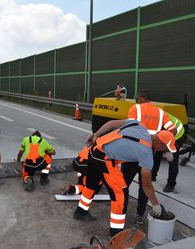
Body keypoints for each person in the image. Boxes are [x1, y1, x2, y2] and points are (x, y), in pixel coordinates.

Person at [73, 119, 175, 237]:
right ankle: (116, 233)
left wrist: (95, 134)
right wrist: (156, 204)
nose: (162, 152)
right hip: (104, 160)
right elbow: (146, 185)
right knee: (120, 195)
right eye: (165, 149)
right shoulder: (146, 153)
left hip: (94, 150)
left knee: (91, 185)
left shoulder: (139, 124)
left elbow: (111, 124)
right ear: (160, 144)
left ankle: (80, 212)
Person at [127, 90, 177, 224]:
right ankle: (139, 215)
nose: (137, 102)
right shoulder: (160, 112)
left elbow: (131, 129)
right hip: (148, 154)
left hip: (132, 153)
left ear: (142, 98)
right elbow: (173, 130)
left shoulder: (135, 109)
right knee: (145, 184)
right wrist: (165, 145)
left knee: (124, 183)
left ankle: (121, 210)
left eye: (137, 99)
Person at [151, 112, 185, 193]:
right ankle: (152, 175)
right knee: (157, 154)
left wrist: (167, 150)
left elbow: (170, 134)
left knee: (172, 159)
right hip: (162, 133)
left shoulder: (161, 121)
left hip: (176, 135)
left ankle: (171, 183)